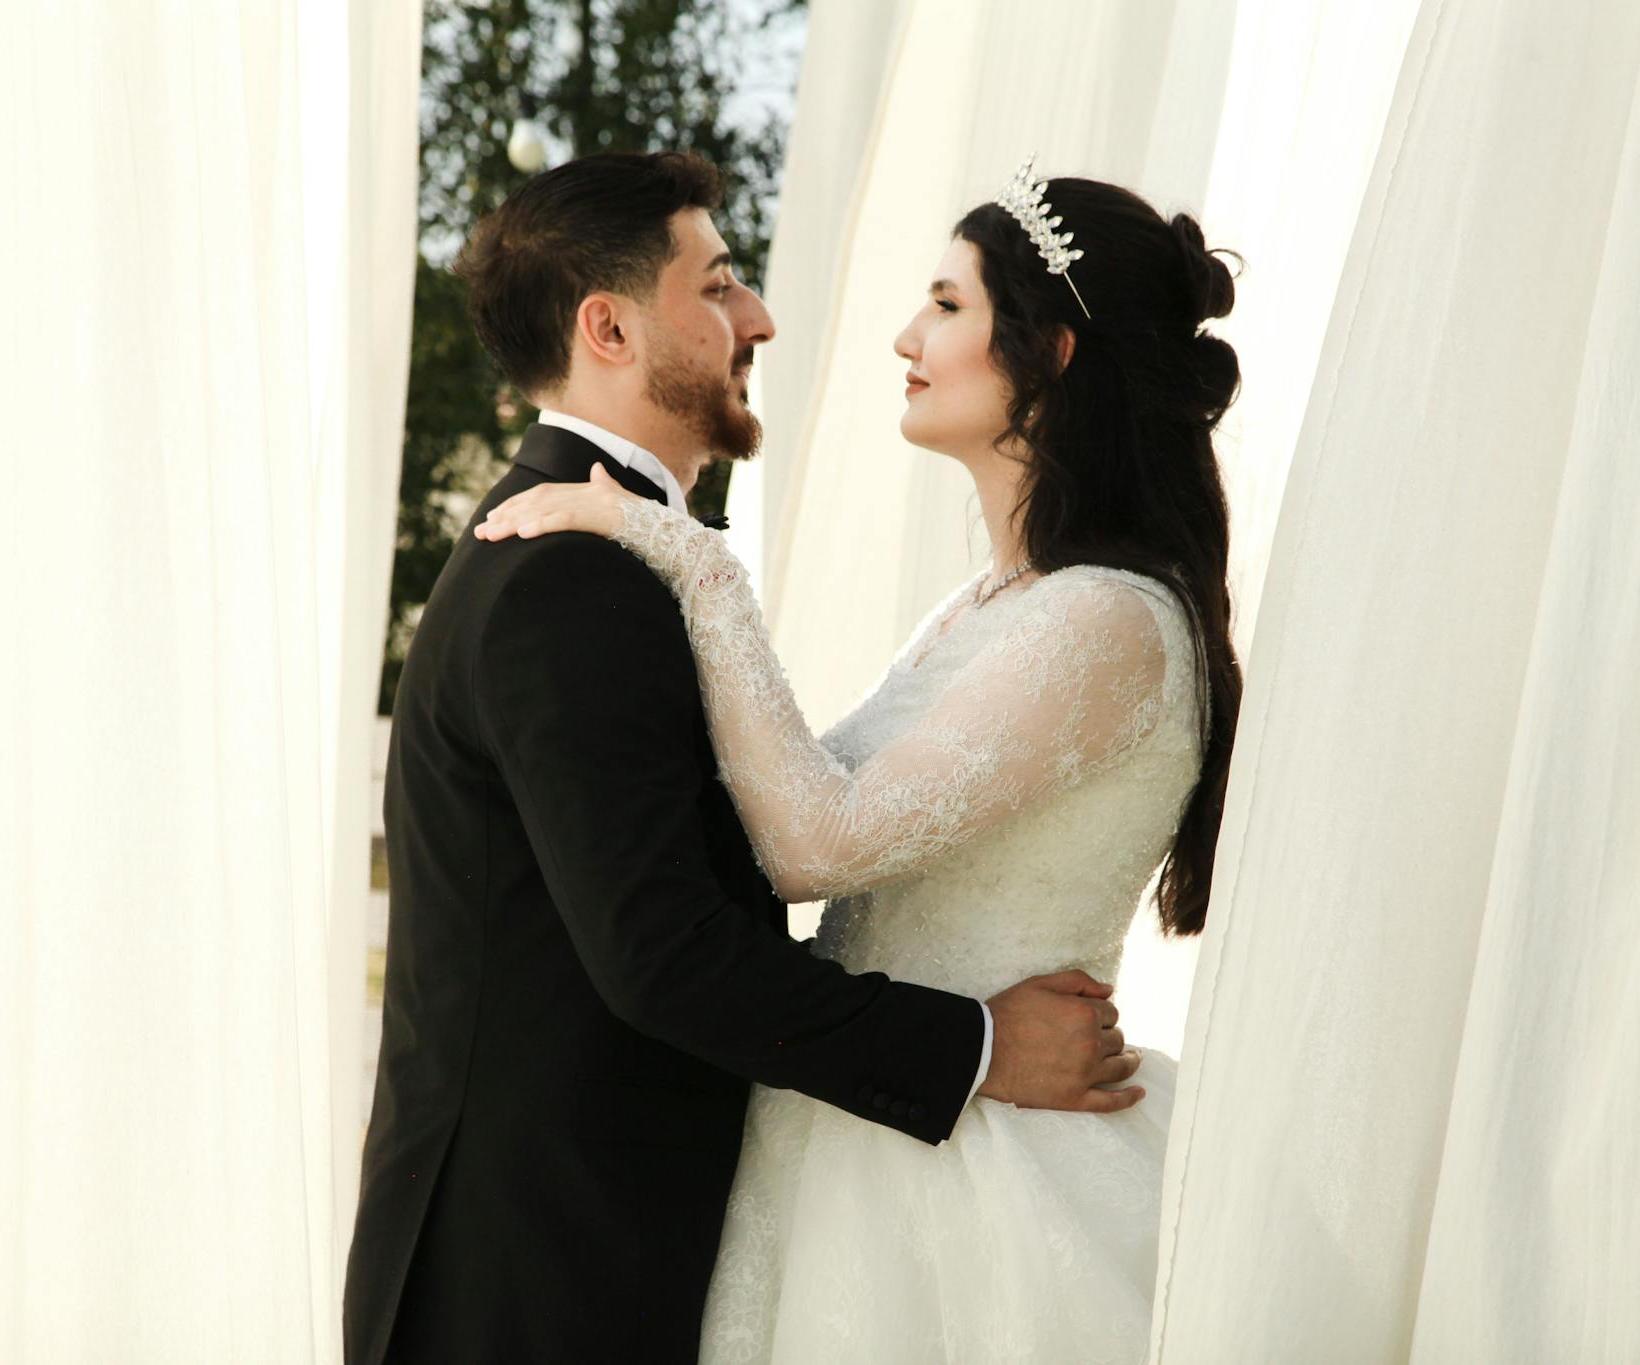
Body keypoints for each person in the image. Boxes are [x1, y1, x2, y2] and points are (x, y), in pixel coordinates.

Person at [342, 151, 1144, 1365]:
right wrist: (975, 1047)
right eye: (716, 287)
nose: (758, 316)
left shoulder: (604, 547)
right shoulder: (569, 571)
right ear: (606, 327)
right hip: (539, 1286)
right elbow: (663, 955)